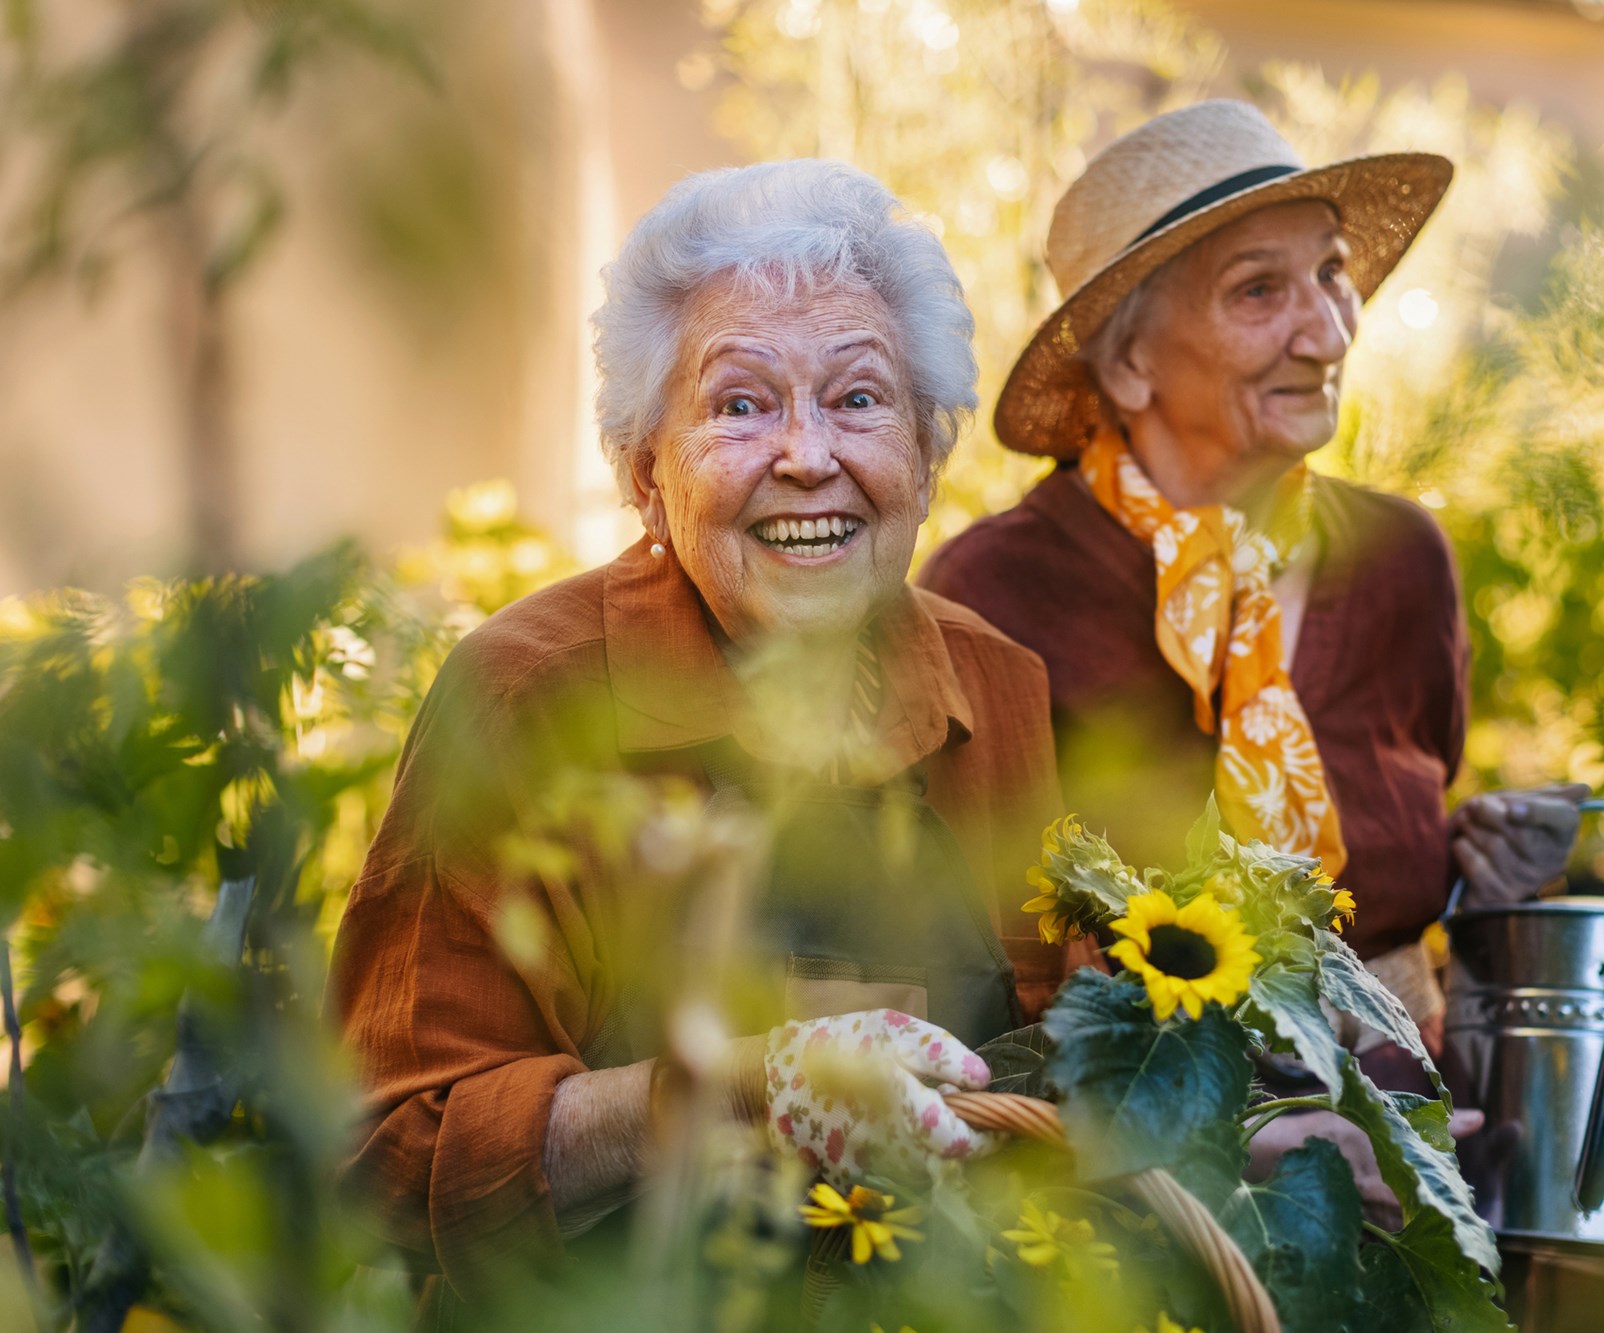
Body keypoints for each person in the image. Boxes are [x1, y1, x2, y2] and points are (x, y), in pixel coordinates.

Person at [329, 161, 1079, 1315]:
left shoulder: (1001, 687)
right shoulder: (528, 697)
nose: (805, 454)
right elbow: (385, 1152)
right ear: (644, 473)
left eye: (858, 398)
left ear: (929, 457)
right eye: (738, 405)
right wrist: (722, 1093)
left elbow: (1052, 1079)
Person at [918, 101, 1585, 1194]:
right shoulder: (993, 594)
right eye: (1258, 292)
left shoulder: (1400, 561)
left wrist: (1481, 874)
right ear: (1126, 364)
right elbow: (966, 972)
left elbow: (1384, 843)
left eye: (1328, 273)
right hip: (1132, 1197)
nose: (1324, 331)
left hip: (1419, 1175)